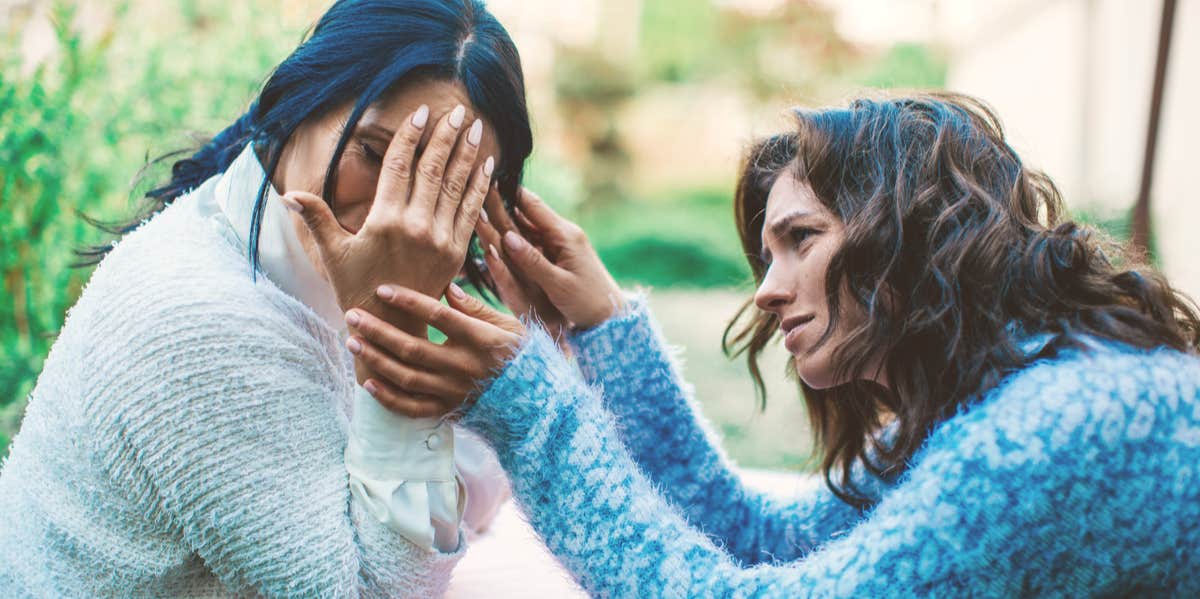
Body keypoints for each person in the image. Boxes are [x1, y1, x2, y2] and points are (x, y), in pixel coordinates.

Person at [342, 93, 1200, 596]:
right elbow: (760, 538)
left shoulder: (1055, 429)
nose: (767, 286)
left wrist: (538, 413)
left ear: (909, 238)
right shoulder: (1002, 391)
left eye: (801, 239)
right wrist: (605, 329)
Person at [0, 0, 531, 596]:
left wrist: (547, 340)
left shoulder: (286, 261)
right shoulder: (200, 320)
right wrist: (394, 341)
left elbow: (462, 486)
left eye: (445, 188)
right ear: (300, 100)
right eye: (376, 155)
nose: (397, 219)